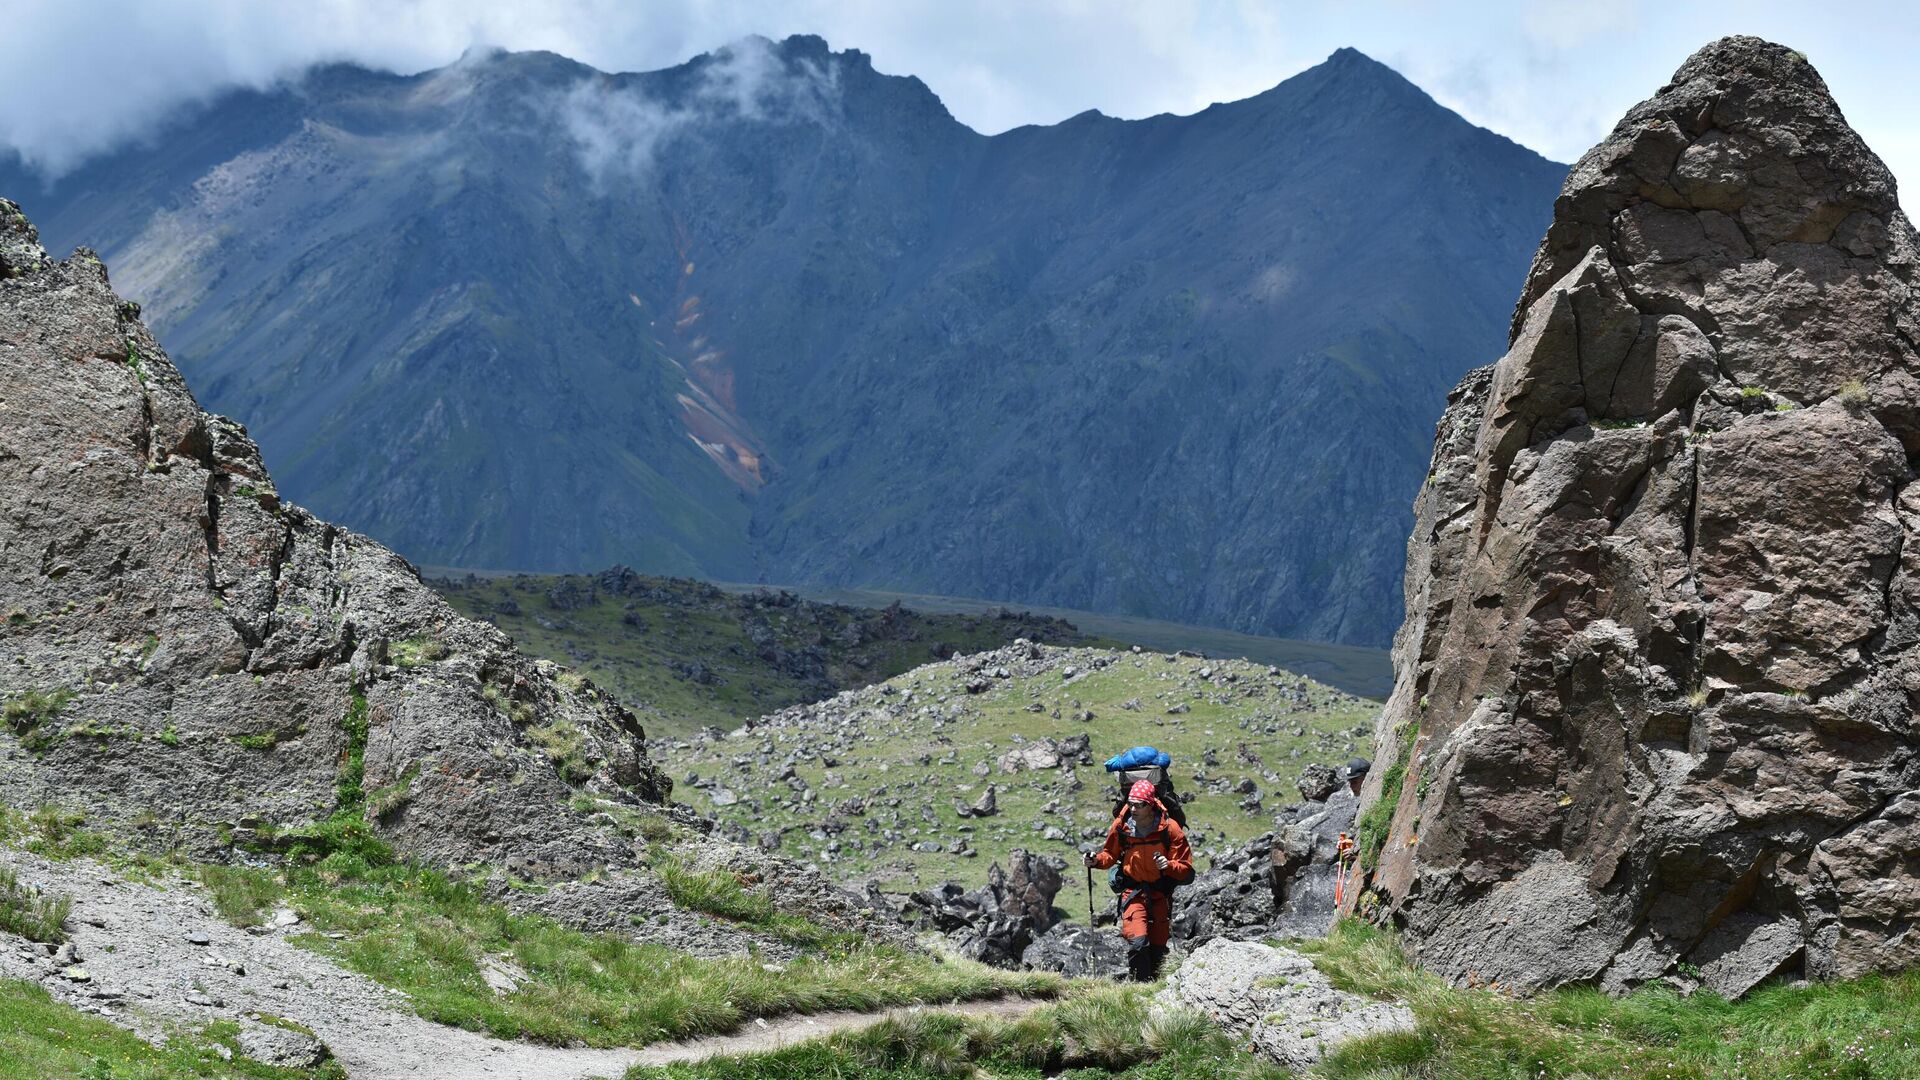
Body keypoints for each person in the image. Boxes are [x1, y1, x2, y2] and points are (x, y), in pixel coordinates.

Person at [1086, 778, 1193, 981]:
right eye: (1131, 803)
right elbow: (1109, 854)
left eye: (1139, 804)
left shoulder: (1170, 829)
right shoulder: (1122, 826)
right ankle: (1139, 987)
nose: (1133, 808)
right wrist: (1095, 861)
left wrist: (1168, 866)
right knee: (1138, 942)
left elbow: (1185, 868)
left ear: (1150, 804)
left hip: (1160, 894)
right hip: (1133, 893)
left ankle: (1156, 987)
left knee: (1159, 948)